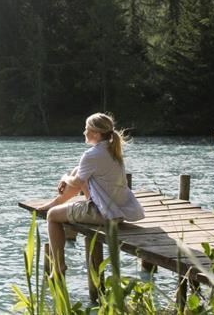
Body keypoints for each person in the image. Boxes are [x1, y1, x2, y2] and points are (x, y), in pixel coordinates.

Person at [37, 112, 144, 276]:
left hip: (104, 214)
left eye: (86, 129)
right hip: (118, 210)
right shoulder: (112, 149)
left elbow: (77, 182)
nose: (84, 132)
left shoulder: (92, 154)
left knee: (52, 216)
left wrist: (64, 178)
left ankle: (58, 266)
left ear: (95, 133)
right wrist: (71, 175)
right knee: (78, 174)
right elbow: (82, 175)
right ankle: (57, 202)